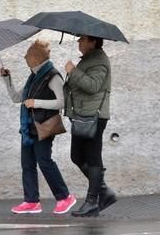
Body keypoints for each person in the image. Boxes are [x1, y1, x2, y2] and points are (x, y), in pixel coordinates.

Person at [0, 39, 76, 214]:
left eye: (27, 54)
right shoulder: (33, 77)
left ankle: (65, 197)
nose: (25, 57)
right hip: (28, 128)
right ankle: (31, 201)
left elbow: (62, 102)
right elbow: (17, 98)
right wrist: (7, 79)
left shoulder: (53, 75)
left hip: (44, 126)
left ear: (36, 58)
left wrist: (36, 103)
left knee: (45, 162)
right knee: (27, 164)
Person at [64, 35, 116, 217]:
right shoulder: (88, 59)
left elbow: (93, 86)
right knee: (76, 155)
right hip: (82, 115)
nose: (79, 42)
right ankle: (104, 192)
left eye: (82, 39)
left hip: (94, 116)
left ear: (93, 41)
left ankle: (92, 202)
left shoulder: (99, 60)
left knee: (93, 158)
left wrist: (73, 71)